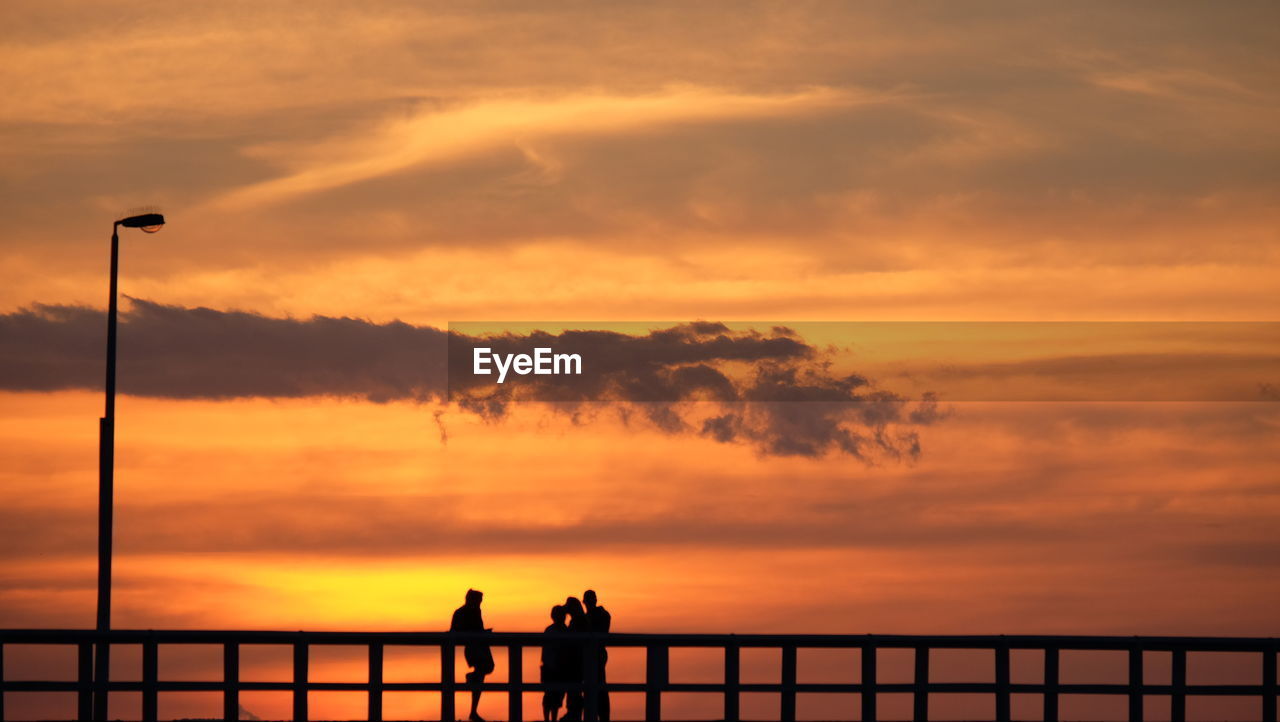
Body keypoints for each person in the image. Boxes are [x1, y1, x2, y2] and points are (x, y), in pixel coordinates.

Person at [450, 589, 494, 722]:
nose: (480, 603)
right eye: (479, 600)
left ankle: (473, 710)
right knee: (482, 672)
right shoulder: (462, 612)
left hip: (479, 646)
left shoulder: (474, 611)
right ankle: (473, 711)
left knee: (485, 671)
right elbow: (455, 631)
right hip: (473, 647)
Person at [583, 590, 612, 721]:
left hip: (596, 654)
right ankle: (599, 715)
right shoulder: (602, 615)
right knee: (598, 685)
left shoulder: (596, 616)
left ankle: (599, 715)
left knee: (597, 685)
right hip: (597, 654)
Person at [561, 596, 588, 721]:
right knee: (574, 688)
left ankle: (574, 714)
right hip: (576, 661)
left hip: (576, 661)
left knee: (574, 687)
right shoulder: (579, 620)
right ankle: (573, 713)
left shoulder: (578, 622)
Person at [541, 605, 569, 721]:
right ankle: (549, 719)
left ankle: (551, 719)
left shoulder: (551, 630)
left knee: (556, 696)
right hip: (552, 667)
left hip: (558, 668)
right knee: (551, 696)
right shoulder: (554, 631)